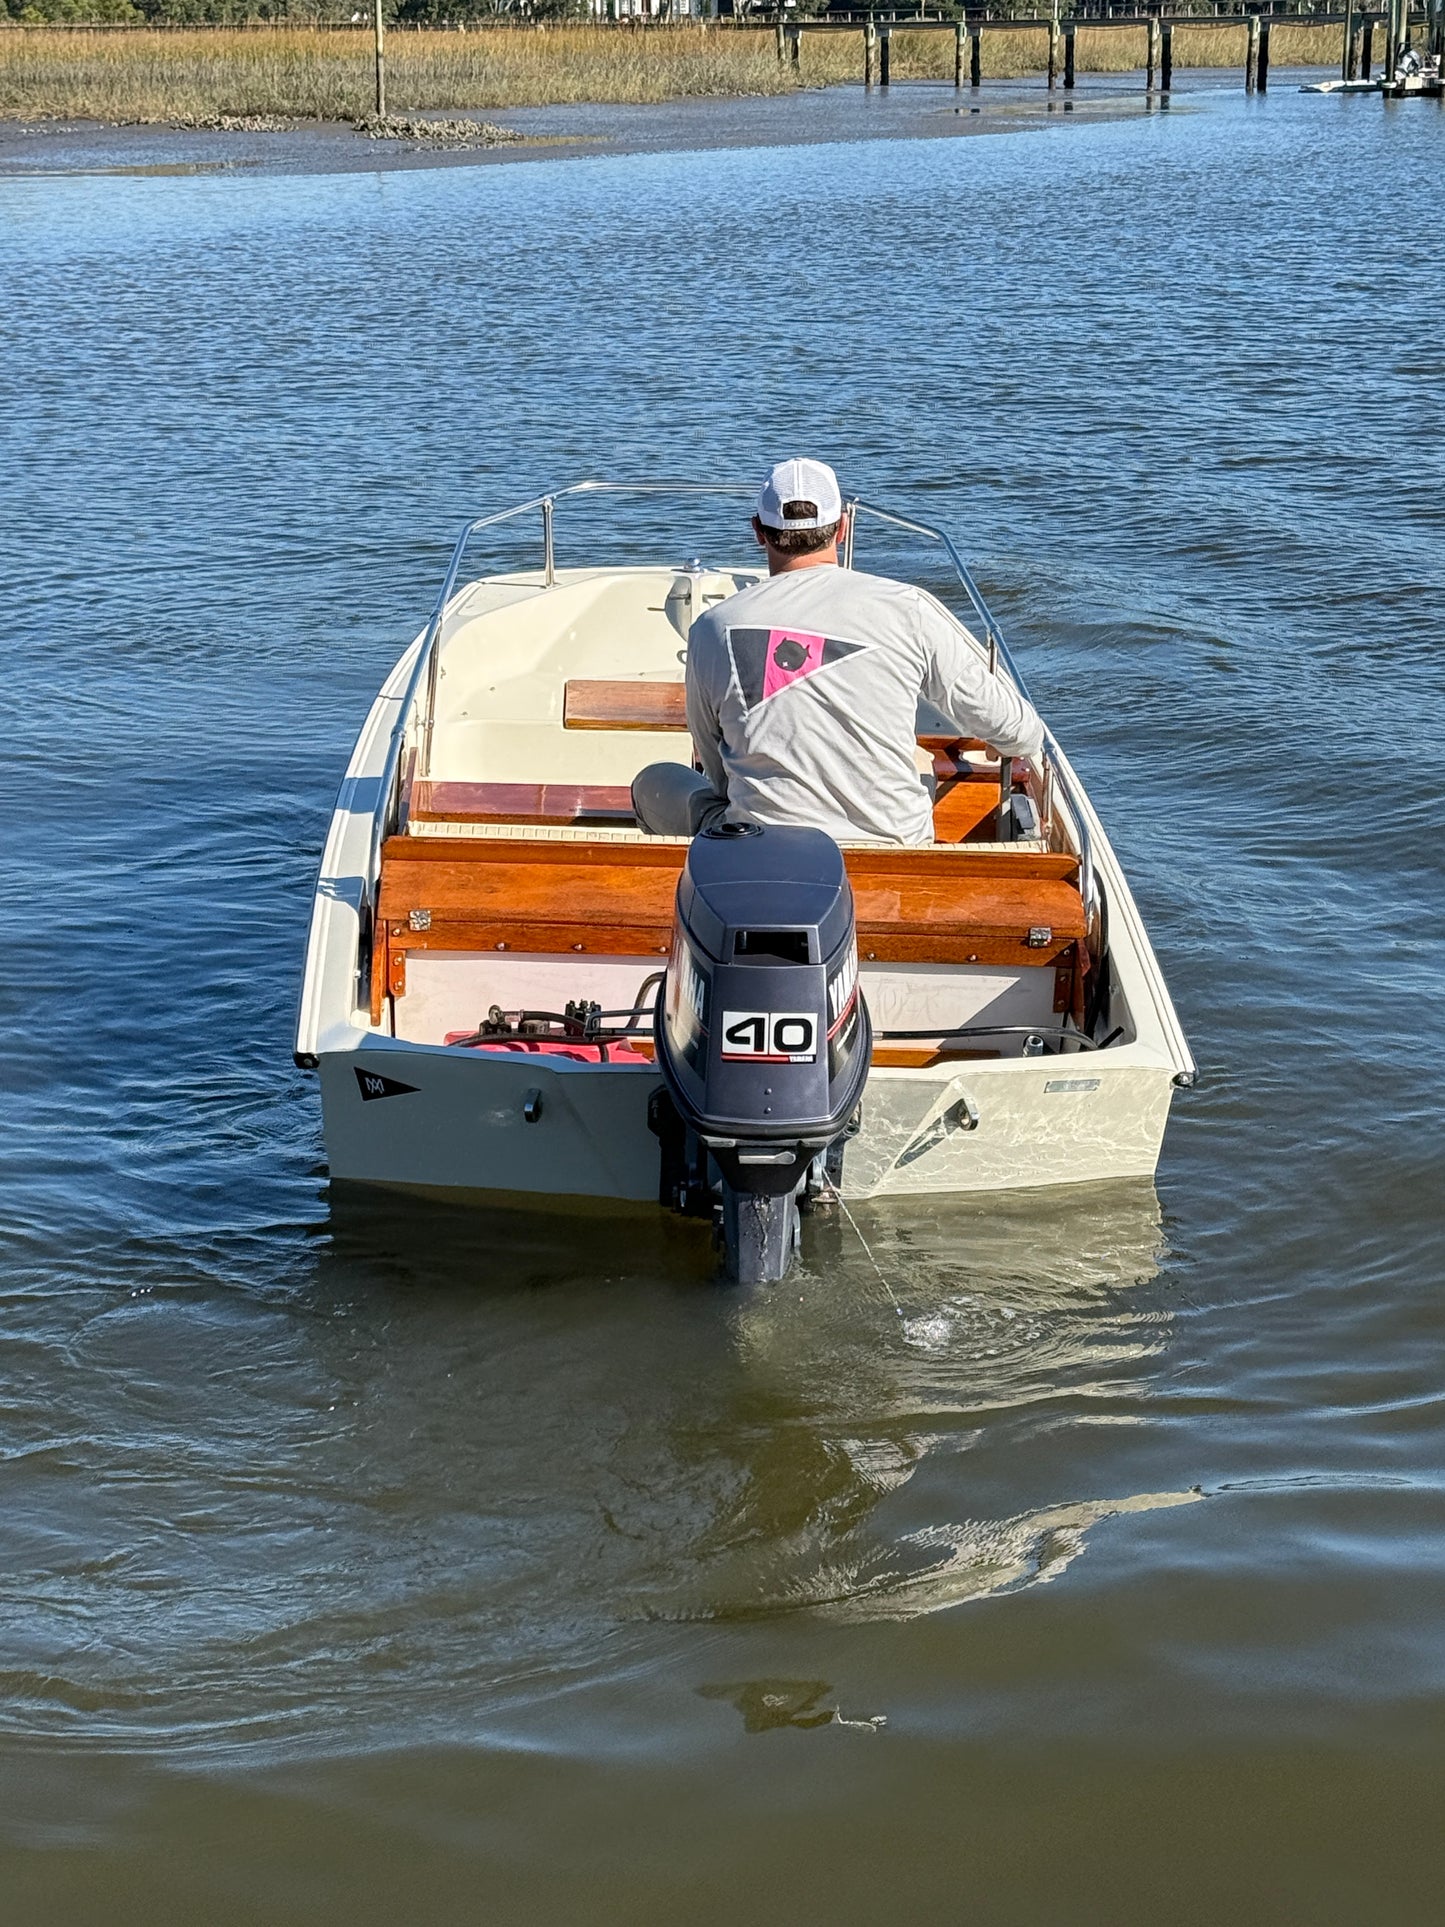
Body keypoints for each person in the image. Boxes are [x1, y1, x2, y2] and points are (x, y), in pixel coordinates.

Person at [631, 458, 1044, 847]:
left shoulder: (712, 628)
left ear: (758, 531)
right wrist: (1002, 743)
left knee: (654, 782)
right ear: (842, 527)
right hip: (895, 848)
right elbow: (1021, 731)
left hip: (759, 847)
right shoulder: (908, 608)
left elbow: (715, 766)